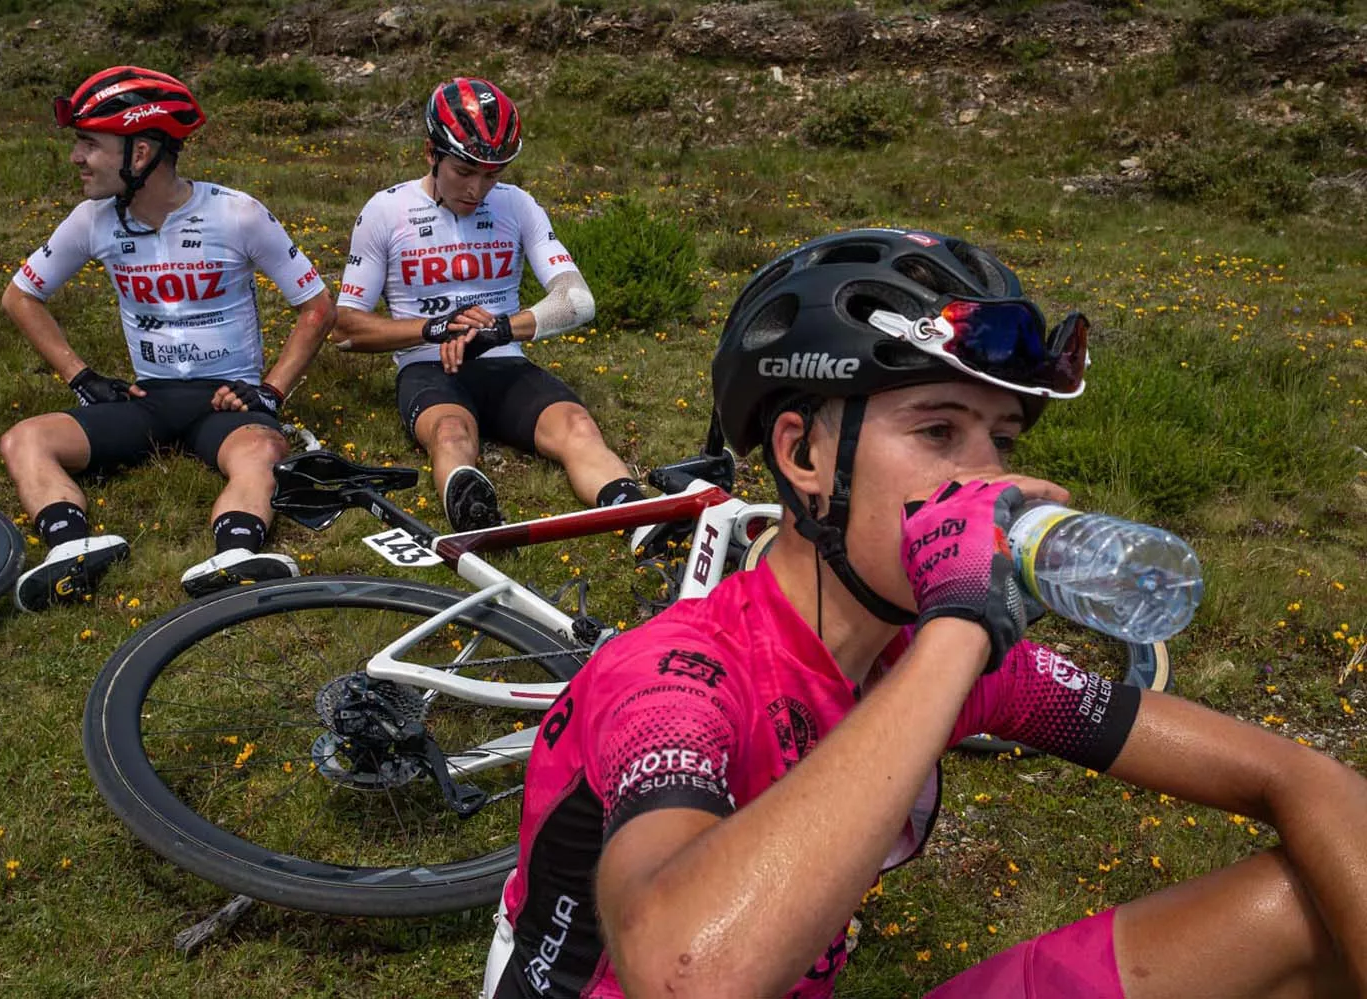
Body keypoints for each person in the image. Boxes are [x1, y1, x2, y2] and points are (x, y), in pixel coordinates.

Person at [482, 229, 1366, 998]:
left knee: (1310, 905)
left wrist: (952, 642)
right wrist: (960, 627)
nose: (991, 479)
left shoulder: (926, 657)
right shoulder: (676, 675)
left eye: (1004, 439)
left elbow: (1304, 779)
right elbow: (689, 974)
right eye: (940, 431)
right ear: (804, 453)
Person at [0, 66, 336, 611]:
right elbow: (19, 298)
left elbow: (317, 307)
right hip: (147, 399)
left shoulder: (237, 213)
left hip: (227, 401)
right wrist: (80, 377)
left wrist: (270, 392)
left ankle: (235, 557)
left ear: (140, 154)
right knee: (24, 439)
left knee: (262, 449)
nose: (76, 158)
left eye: (90, 144)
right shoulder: (92, 221)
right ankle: (70, 552)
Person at [330, 77, 643, 532]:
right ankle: (473, 515)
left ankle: (641, 520)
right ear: (430, 154)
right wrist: (433, 328)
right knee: (452, 434)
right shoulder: (386, 211)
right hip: (427, 365)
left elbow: (577, 300)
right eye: (463, 171)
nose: (477, 189)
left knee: (578, 426)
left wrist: (499, 329)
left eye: (492, 175)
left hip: (503, 361)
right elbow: (344, 328)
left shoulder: (516, 206)